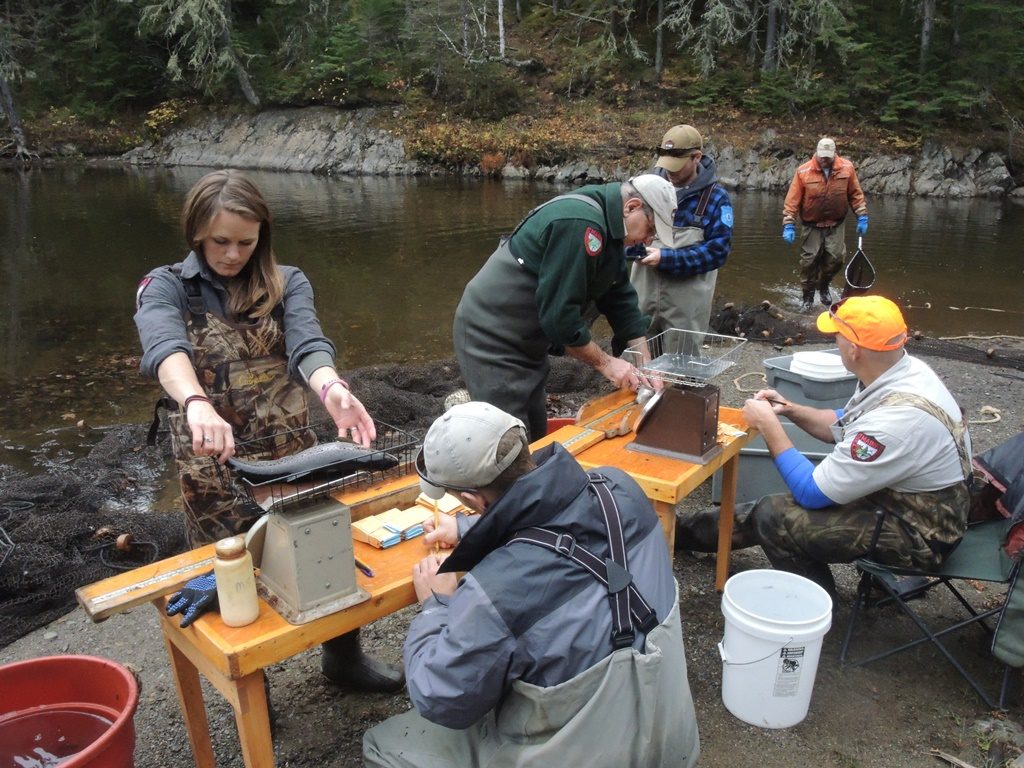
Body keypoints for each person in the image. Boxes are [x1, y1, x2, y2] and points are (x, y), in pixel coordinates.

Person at [133, 169, 403, 693]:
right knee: (227, 578)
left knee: (320, 550)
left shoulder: (287, 281)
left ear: (263, 236)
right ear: (196, 233)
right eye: (221, 242)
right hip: (211, 460)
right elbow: (164, 347)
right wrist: (194, 402)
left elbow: (308, 343)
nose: (233, 254)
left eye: (246, 242)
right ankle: (253, 692)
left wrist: (331, 390)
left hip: (292, 453)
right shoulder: (164, 286)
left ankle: (343, 659)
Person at [363, 401, 699, 767]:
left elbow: (441, 699)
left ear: (472, 499)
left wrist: (435, 607)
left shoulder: (497, 593)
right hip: (670, 741)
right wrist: (466, 528)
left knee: (384, 743)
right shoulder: (621, 489)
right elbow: (562, 519)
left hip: (589, 755)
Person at [680, 296, 972, 599]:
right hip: (904, 500)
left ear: (854, 350)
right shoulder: (904, 371)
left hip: (921, 534)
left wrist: (769, 426)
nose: (834, 340)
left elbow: (812, 493)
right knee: (765, 511)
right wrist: (791, 409)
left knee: (773, 514)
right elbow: (846, 421)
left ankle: (816, 604)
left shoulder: (896, 422)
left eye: (837, 336)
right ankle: (678, 533)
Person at [453, 174, 677, 441]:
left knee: (535, 432)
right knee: (508, 439)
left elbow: (619, 295)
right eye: (650, 229)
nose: (649, 241)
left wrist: (645, 363)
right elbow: (560, 320)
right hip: (491, 335)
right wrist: (607, 364)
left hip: (529, 339)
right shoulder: (580, 225)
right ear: (632, 207)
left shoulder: (613, 228)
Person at [631, 124, 733, 343]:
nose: (670, 171)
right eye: (667, 164)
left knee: (680, 369)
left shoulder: (717, 198)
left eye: (677, 165)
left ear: (697, 157)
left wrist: (666, 258)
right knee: (636, 363)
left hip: (686, 309)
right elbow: (623, 235)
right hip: (642, 297)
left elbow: (718, 252)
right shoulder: (645, 190)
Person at [782, 137, 869, 312]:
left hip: (835, 224)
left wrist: (862, 216)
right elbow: (792, 201)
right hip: (811, 224)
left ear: (835, 153)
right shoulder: (803, 171)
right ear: (817, 152)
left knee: (836, 259)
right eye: (822, 155)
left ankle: (823, 286)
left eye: (828, 156)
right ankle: (807, 297)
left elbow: (855, 194)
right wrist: (789, 224)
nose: (825, 159)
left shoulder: (847, 168)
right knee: (809, 262)